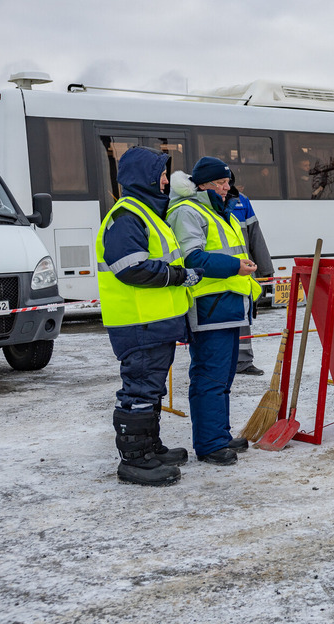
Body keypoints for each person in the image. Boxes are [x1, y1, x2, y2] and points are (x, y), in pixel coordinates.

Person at [96, 146, 203, 487]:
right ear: (143, 177)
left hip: (154, 322)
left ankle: (149, 448)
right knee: (140, 390)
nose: (164, 180)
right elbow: (130, 267)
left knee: (151, 389)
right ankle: (135, 460)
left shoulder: (147, 213)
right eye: (159, 173)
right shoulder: (127, 216)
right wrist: (177, 275)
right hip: (138, 322)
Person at [167, 157, 262, 466]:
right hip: (209, 308)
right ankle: (209, 444)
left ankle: (219, 434)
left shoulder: (219, 213)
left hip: (228, 306)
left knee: (222, 378)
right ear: (203, 185)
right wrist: (236, 266)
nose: (227, 188)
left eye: (227, 182)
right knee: (209, 377)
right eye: (221, 183)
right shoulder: (188, 212)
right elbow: (193, 258)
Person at [225, 175, 274, 376]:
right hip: (215, 274)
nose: (225, 186)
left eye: (227, 182)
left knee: (243, 318)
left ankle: (243, 361)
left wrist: (266, 271)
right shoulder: (198, 205)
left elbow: (255, 236)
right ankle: (222, 363)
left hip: (242, 273)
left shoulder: (241, 201)